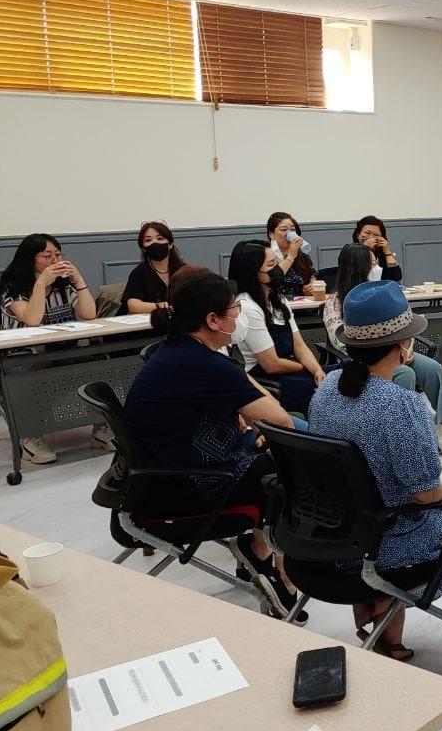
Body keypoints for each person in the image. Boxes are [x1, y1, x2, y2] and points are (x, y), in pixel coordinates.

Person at [308, 282, 442, 662]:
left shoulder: (326, 388)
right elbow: (424, 493)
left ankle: (383, 623)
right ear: (403, 344)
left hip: (334, 531)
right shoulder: (400, 404)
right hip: (386, 540)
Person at [123, 269, 300, 610]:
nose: (238, 316)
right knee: (292, 465)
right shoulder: (205, 365)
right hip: (189, 489)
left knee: (273, 452)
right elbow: (280, 421)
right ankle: (279, 565)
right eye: (234, 309)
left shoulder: (174, 350)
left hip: (160, 477)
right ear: (213, 320)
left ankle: (260, 551)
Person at [324, 243, 442, 454]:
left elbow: (406, 325)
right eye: (371, 265)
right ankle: (405, 431)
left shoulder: (382, 293)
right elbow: (340, 341)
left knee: (434, 369)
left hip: (397, 350)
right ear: (357, 267)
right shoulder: (335, 302)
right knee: (405, 373)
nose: (376, 269)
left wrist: (406, 349)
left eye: (376, 263)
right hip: (363, 359)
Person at [0, 233, 105, 463]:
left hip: (60, 351)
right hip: (20, 357)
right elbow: (32, 319)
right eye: (47, 256)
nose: (55, 261)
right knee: (25, 379)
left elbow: (89, 314)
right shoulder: (12, 288)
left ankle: (101, 429)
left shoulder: (63, 287)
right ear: (30, 259)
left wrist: (78, 279)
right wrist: (40, 284)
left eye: (58, 255)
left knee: (96, 368)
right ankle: (30, 437)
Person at [226, 240, 328, 414]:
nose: (278, 269)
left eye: (276, 262)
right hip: (270, 381)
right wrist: (304, 368)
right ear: (252, 272)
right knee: (324, 395)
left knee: (342, 375)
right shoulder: (247, 306)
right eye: (270, 265)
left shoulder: (278, 299)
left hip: (292, 370)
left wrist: (317, 369)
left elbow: (299, 345)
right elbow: (272, 364)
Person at [122, 221, 189, 314]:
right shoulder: (139, 273)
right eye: (148, 240)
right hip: (149, 321)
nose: (154, 243)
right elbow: (133, 306)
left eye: (160, 238)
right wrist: (160, 306)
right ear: (143, 248)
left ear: (170, 244)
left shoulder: (185, 271)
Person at [266, 212, 315, 298]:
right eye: (283, 230)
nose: (289, 234)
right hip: (275, 303)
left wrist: (311, 287)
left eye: (292, 230)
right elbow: (272, 279)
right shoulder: (266, 255)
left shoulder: (302, 255)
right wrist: (290, 256)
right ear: (271, 234)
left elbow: (313, 277)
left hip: (302, 303)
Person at [352, 215, 403, 282]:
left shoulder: (380, 252)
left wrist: (387, 251)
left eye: (376, 235)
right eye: (367, 233)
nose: (371, 237)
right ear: (358, 234)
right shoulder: (350, 250)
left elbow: (396, 277)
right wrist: (365, 248)